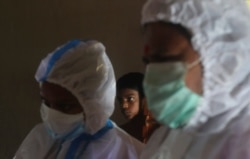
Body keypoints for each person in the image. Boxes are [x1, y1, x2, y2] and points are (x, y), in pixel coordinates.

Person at [140, 0, 250, 158]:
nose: (151, 75)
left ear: (220, 57)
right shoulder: (170, 135)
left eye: (164, 58)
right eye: (148, 61)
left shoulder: (243, 144)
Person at [14, 39, 144, 159]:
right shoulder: (40, 138)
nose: (52, 114)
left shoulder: (128, 152)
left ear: (94, 105)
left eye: (65, 106)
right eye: (46, 103)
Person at [116, 72, 161, 143]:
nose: (123, 105)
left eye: (130, 99)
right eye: (120, 100)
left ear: (144, 98)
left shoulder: (160, 131)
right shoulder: (120, 132)